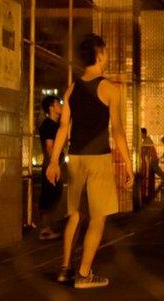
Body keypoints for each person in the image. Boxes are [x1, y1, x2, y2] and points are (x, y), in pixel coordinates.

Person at [47, 34, 134, 289]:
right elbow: (116, 129)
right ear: (100, 53)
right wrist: (128, 163)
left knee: (75, 214)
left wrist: (54, 161)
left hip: (75, 158)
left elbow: (63, 127)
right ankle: (84, 274)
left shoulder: (72, 89)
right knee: (98, 217)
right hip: (98, 159)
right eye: (105, 52)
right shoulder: (109, 88)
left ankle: (65, 269)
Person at [37, 96, 65, 241]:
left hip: (55, 165)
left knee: (55, 194)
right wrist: (53, 165)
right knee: (50, 195)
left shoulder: (55, 124)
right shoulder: (48, 125)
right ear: (51, 108)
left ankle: (48, 228)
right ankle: (45, 230)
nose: (60, 105)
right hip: (51, 166)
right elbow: (49, 146)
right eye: (57, 103)